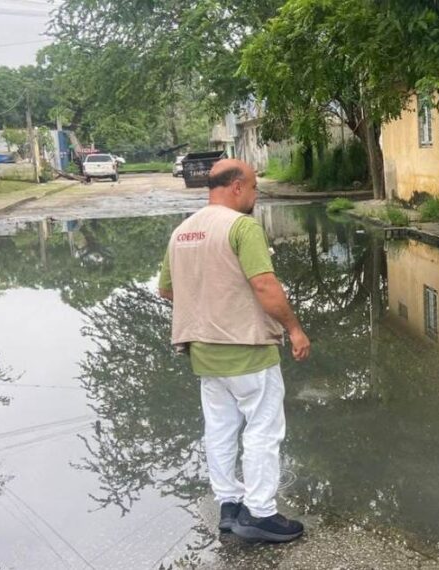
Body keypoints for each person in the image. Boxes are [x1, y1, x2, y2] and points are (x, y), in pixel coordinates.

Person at [158, 159, 311, 542]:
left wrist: (206, 306)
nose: (256, 194)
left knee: (220, 429)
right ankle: (260, 513)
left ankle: (228, 506)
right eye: (255, 187)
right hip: (248, 350)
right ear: (237, 186)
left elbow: (166, 290)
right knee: (263, 429)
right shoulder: (242, 227)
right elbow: (264, 286)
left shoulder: (182, 231)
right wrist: (294, 329)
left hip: (204, 354)